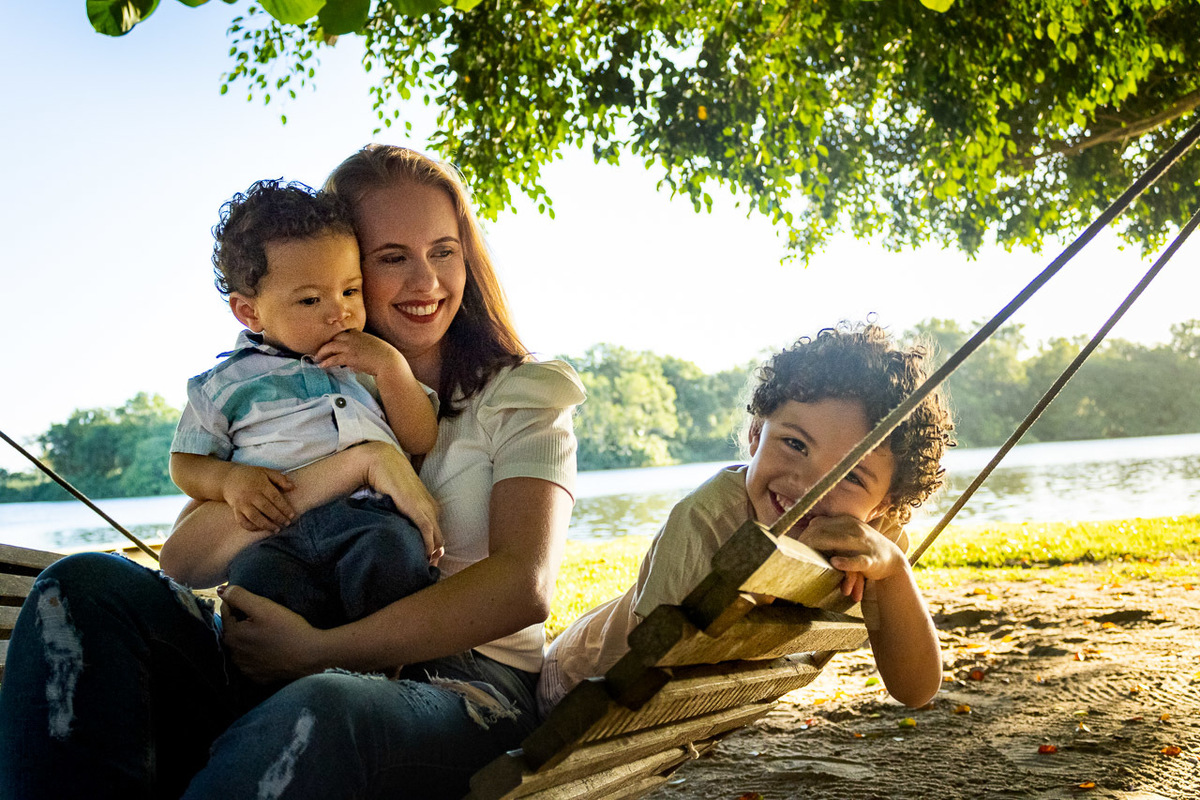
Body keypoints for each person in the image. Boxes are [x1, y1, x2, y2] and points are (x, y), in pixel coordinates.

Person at [0, 145, 586, 800]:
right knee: (84, 584)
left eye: (445, 250)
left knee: (323, 704)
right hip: (271, 649)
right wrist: (355, 464)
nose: (426, 280)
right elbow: (188, 560)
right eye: (390, 257)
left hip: (460, 685)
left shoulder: (523, 393)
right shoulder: (287, 393)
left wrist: (315, 648)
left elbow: (522, 585)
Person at [537, 323, 955, 717]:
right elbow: (653, 655)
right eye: (795, 444)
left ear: (885, 503)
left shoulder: (873, 545)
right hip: (575, 679)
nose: (806, 483)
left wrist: (897, 571)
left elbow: (915, 689)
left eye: (850, 475)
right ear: (756, 433)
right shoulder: (707, 519)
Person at [170, 178, 440, 631]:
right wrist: (231, 481)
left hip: (366, 519)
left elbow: (419, 436)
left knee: (394, 554)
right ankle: (281, 689)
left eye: (350, 291)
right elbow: (186, 464)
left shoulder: (367, 363)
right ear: (249, 312)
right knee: (259, 587)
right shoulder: (223, 384)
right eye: (312, 299)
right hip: (272, 536)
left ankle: (385, 673)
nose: (339, 312)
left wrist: (392, 369)